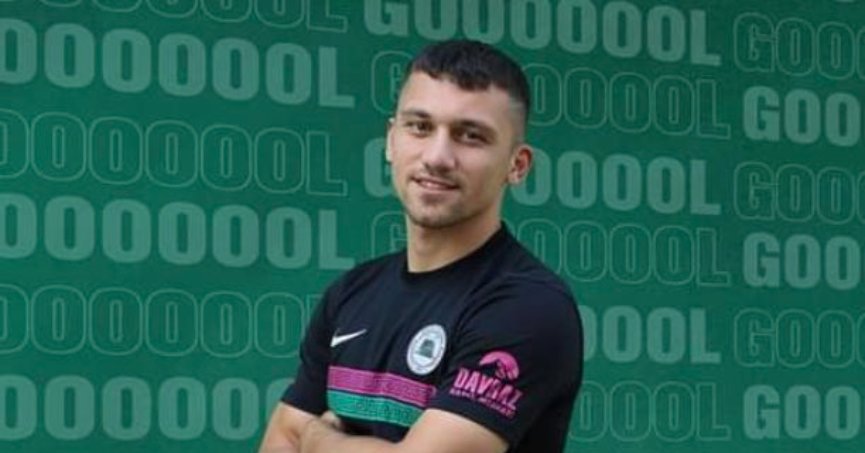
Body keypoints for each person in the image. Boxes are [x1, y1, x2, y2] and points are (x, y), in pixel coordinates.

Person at [259, 39, 583, 453]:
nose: (438, 156)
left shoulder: (527, 306)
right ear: (391, 140)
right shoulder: (350, 294)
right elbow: (281, 439)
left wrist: (318, 438)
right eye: (420, 127)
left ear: (516, 165)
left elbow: (303, 433)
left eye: (471, 136)